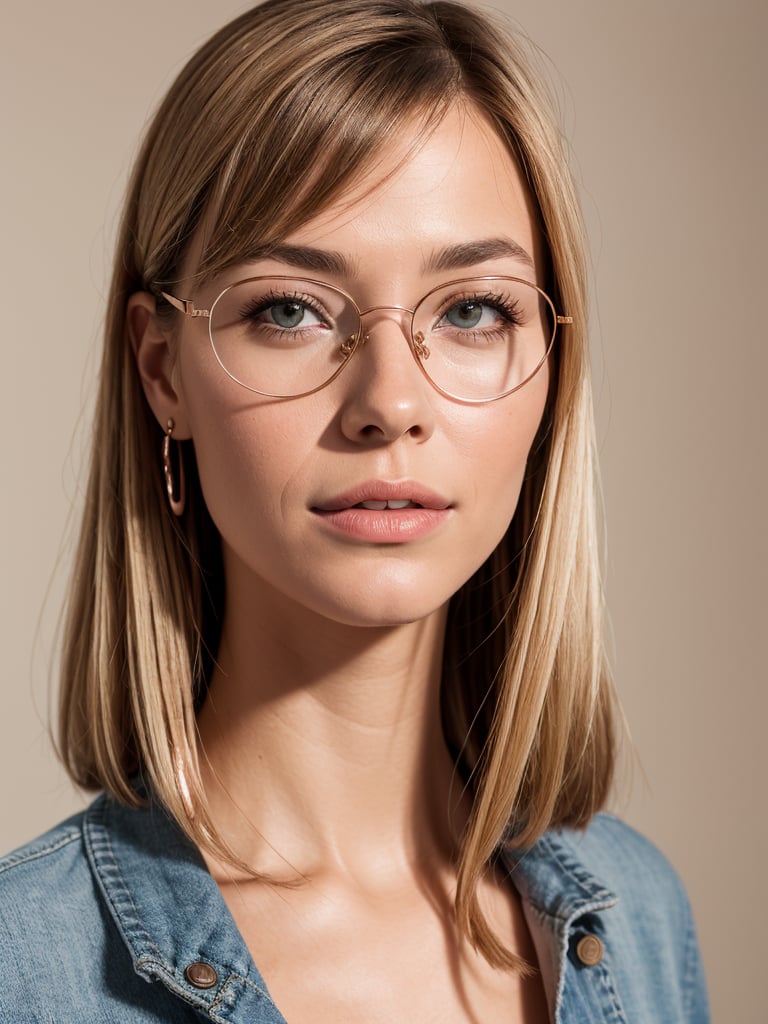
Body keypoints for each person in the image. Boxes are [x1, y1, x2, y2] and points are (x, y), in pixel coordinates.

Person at [0, 0, 709, 1020]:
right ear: (164, 371)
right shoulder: (28, 972)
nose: (390, 402)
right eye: (288, 309)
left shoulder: (637, 919)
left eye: (473, 309)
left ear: (552, 367)